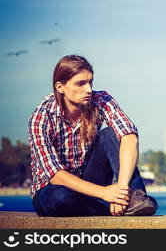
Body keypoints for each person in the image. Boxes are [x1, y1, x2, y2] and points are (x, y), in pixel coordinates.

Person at [28, 54, 157, 217]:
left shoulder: (101, 100)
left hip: (91, 181)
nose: (88, 89)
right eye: (80, 84)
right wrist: (104, 193)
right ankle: (107, 208)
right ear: (60, 87)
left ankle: (134, 199)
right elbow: (55, 175)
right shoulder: (41, 118)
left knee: (110, 134)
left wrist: (120, 191)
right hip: (53, 189)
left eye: (90, 82)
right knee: (58, 198)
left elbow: (130, 138)